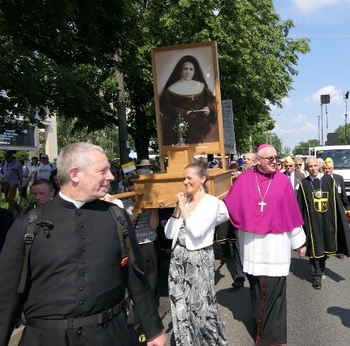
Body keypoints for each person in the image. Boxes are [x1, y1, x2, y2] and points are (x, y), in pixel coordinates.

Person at [0, 142, 166, 346]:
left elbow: (136, 277)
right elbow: (6, 295)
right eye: (103, 170)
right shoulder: (27, 225)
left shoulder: (117, 217)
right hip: (47, 339)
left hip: (110, 334)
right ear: (75, 174)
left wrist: (154, 330)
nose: (111, 176)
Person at [224, 144, 307, 346]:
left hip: (276, 248)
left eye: (275, 158)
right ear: (258, 160)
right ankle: (264, 331)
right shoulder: (243, 180)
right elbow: (228, 207)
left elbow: (291, 213)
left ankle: (270, 340)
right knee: (258, 293)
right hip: (253, 249)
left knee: (273, 294)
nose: (274, 161)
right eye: (269, 158)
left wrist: (299, 242)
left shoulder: (282, 181)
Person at [164, 161, 229, 345]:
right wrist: (178, 209)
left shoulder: (211, 203)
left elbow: (197, 231)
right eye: (183, 178)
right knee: (180, 304)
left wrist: (184, 208)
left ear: (202, 179)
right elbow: (169, 234)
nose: (185, 182)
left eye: (189, 178)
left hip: (198, 259)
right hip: (178, 259)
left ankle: (208, 341)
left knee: (200, 307)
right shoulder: (185, 202)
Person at [297, 157, 350, 289]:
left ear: (319, 166)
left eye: (314, 166)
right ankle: (316, 276)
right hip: (312, 223)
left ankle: (322, 268)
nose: (313, 168)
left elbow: (336, 201)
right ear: (307, 168)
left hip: (327, 220)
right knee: (314, 249)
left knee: (324, 249)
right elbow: (300, 206)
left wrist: (342, 217)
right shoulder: (304, 184)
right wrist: (300, 226)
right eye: (310, 167)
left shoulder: (329, 181)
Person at [159, 55, 218, 146]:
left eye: (191, 69)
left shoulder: (201, 86)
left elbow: (212, 101)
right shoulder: (171, 90)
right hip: (182, 129)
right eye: (185, 69)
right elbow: (165, 107)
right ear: (180, 71)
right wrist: (183, 112)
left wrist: (208, 108)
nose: (188, 72)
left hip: (203, 128)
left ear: (194, 72)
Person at [322, 157, 350, 224]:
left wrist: (347, 208)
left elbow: (343, 195)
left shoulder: (339, 178)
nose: (327, 170)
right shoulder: (320, 179)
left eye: (329, 168)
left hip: (338, 207)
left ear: (332, 169)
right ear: (323, 169)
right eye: (325, 168)